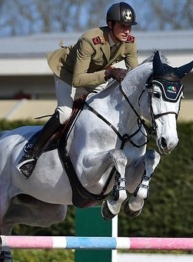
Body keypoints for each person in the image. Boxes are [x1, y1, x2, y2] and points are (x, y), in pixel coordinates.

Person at [17, 2, 139, 178]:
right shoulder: (90, 40)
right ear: (110, 24)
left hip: (96, 74)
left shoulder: (130, 43)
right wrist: (110, 72)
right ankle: (31, 152)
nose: (127, 31)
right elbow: (78, 79)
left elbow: (133, 76)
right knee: (65, 113)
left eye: (129, 27)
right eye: (122, 26)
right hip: (67, 72)